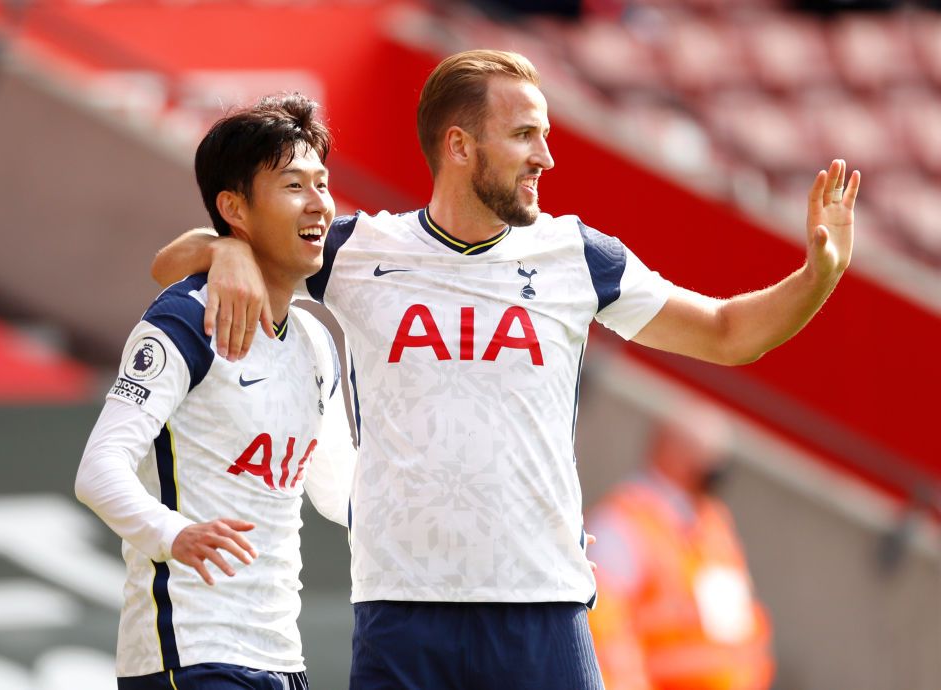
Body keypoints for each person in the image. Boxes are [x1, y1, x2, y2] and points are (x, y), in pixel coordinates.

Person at [150, 50, 859, 690]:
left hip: (542, 611)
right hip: (403, 612)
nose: (546, 157)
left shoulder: (579, 256)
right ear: (459, 146)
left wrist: (818, 275)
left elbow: (729, 335)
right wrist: (232, 252)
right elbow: (174, 259)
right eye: (525, 136)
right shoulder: (357, 251)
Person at [75, 93, 356, 690]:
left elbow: (340, 493)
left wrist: (481, 518)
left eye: (322, 183)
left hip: (281, 655)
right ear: (235, 207)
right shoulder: (184, 319)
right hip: (189, 651)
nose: (319, 205)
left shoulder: (314, 338)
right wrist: (175, 534)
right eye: (293, 186)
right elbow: (98, 470)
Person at [586, 407, 774, 690]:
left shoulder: (713, 525)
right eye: (706, 455)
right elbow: (605, 638)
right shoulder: (621, 524)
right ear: (670, 450)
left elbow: (738, 627)